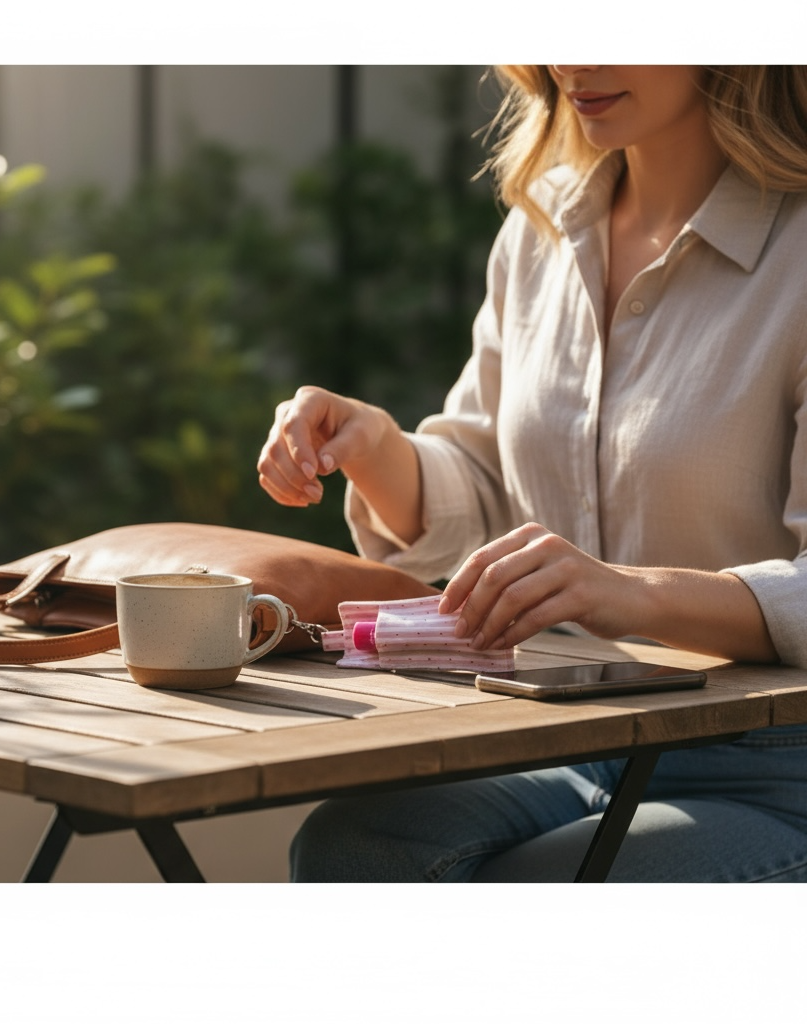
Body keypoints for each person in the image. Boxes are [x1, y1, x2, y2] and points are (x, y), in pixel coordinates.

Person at [256, 66, 807, 882]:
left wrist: (631, 592)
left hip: (775, 764)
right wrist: (374, 449)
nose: (570, 59)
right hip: (565, 727)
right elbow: (483, 487)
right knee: (350, 849)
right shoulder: (543, 224)